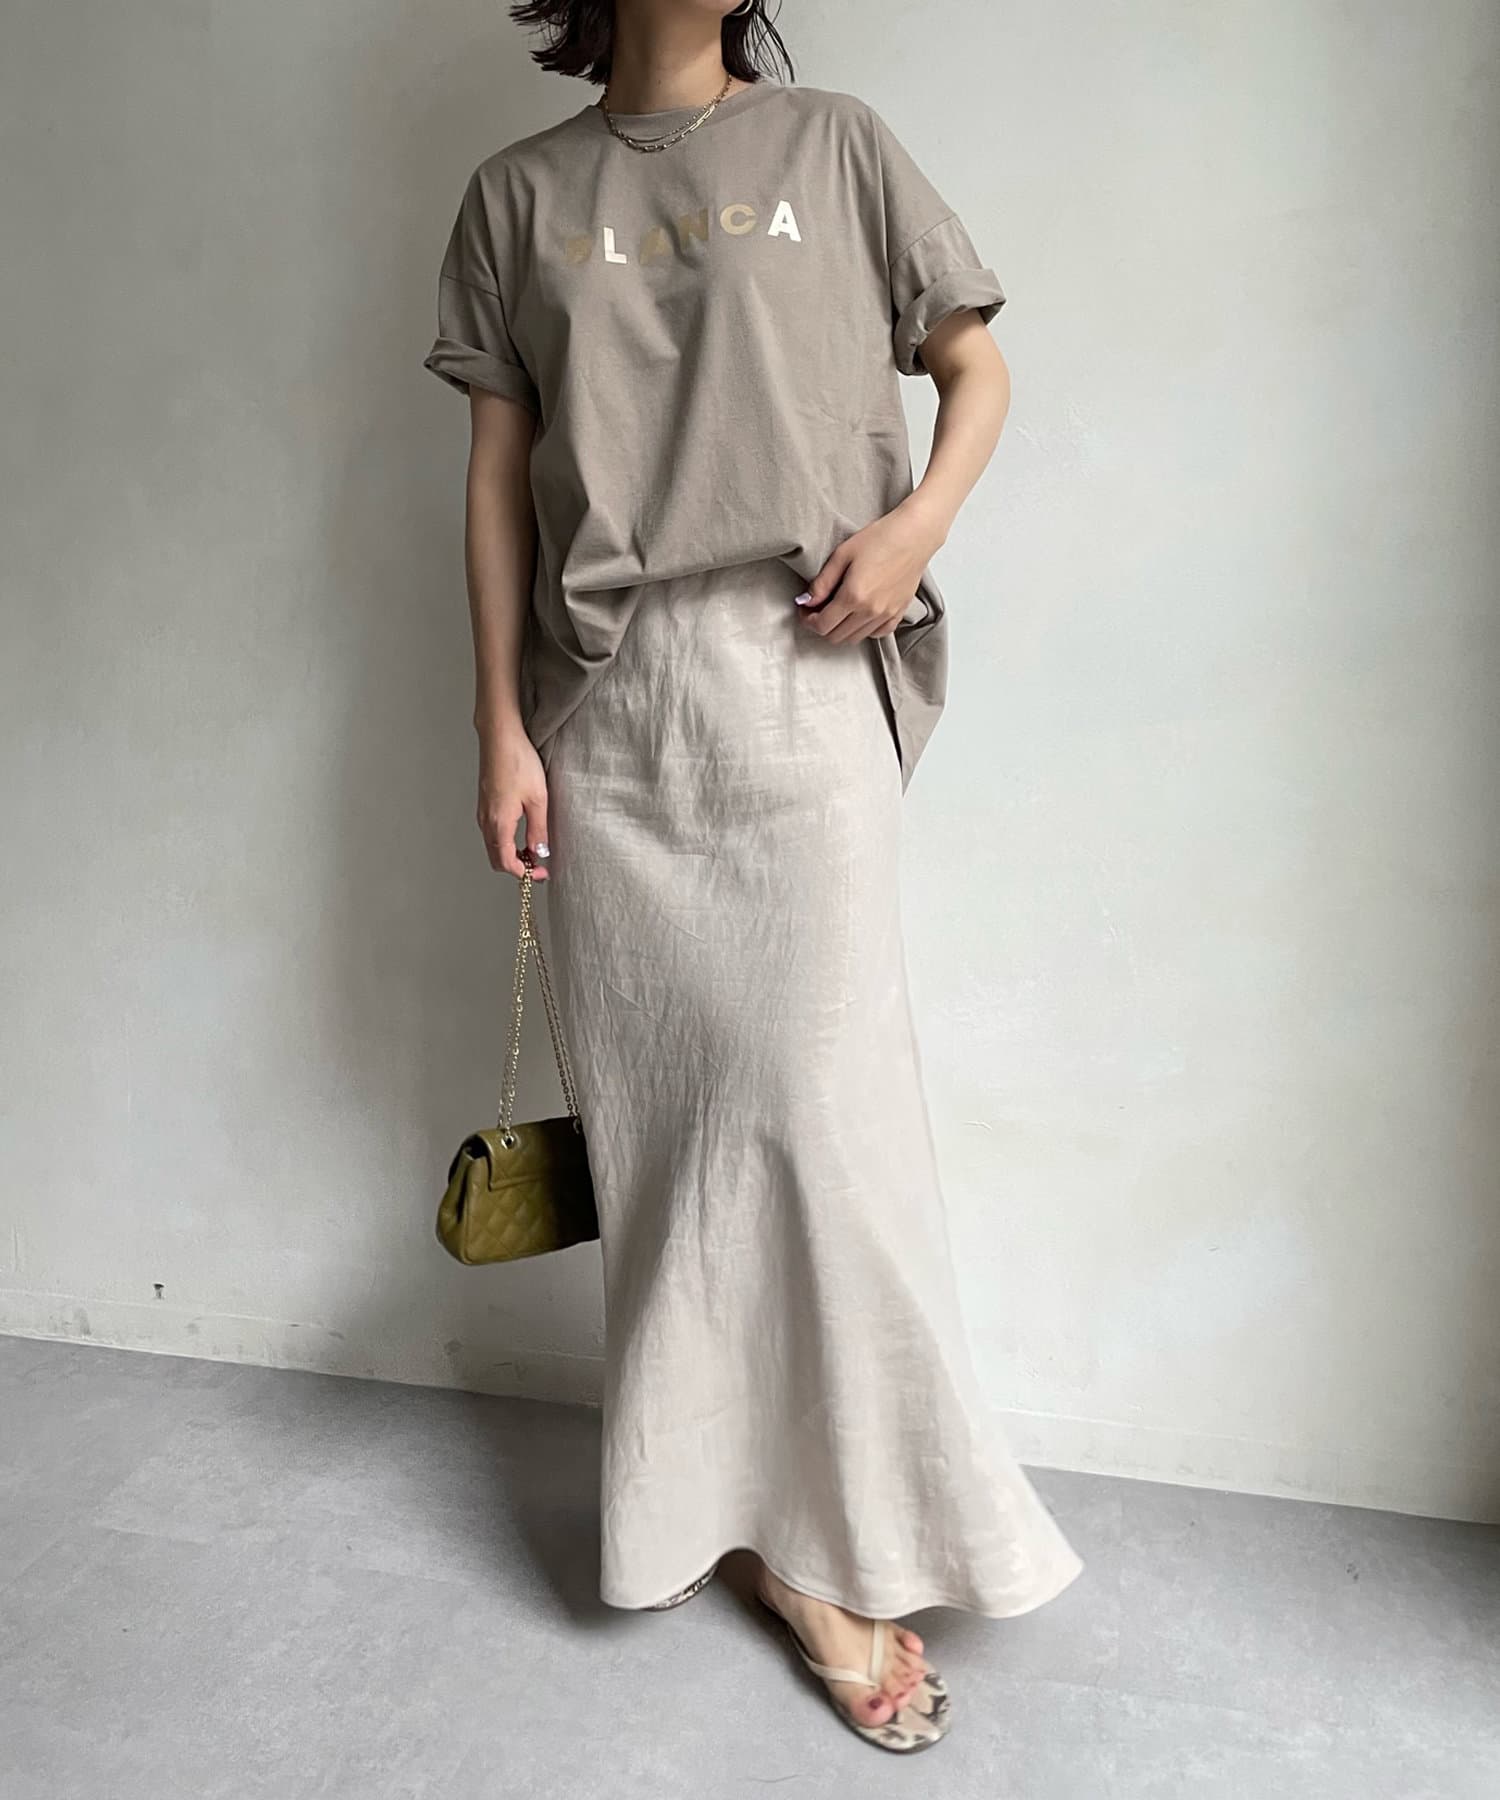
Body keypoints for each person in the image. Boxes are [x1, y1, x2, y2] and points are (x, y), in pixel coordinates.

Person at [423, 0, 1082, 1755]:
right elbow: (496, 480)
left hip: (797, 671)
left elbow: (976, 369)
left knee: (815, 1116)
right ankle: (748, 1534)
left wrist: (915, 528)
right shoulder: (515, 194)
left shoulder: (837, 143)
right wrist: (500, 725)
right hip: (607, 707)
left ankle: (851, 1523)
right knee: (667, 1133)